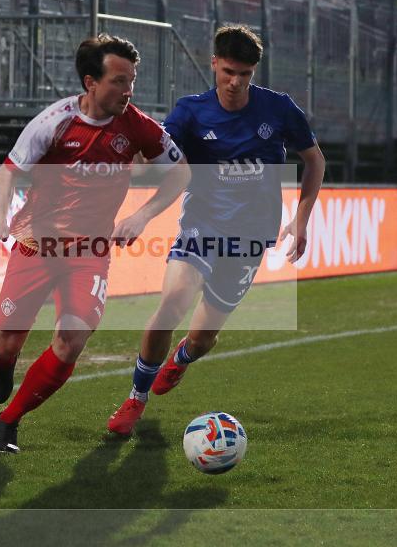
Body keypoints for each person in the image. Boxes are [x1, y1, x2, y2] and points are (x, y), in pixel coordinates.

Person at [106, 25, 326, 436]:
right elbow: (159, 157)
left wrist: (302, 217)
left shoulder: (279, 109)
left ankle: (183, 358)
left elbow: (314, 161)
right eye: (228, 71)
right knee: (170, 304)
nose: (235, 82)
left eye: (244, 74)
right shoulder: (191, 111)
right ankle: (136, 397)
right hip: (201, 227)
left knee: (203, 338)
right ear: (214, 64)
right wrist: (132, 167)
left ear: (254, 72)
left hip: (250, 238)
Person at [0, 34, 191, 453]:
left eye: (131, 80)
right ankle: (3, 362)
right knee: (7, 341)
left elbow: (182, 172)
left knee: (72, 338)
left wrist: (142, 214)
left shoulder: (137, 126)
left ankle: (7, 421)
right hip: (36, 243)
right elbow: (8, 173)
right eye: (118, 80)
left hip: (90, 252)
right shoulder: (53, 122)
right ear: (90, 82)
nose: (127, 90)